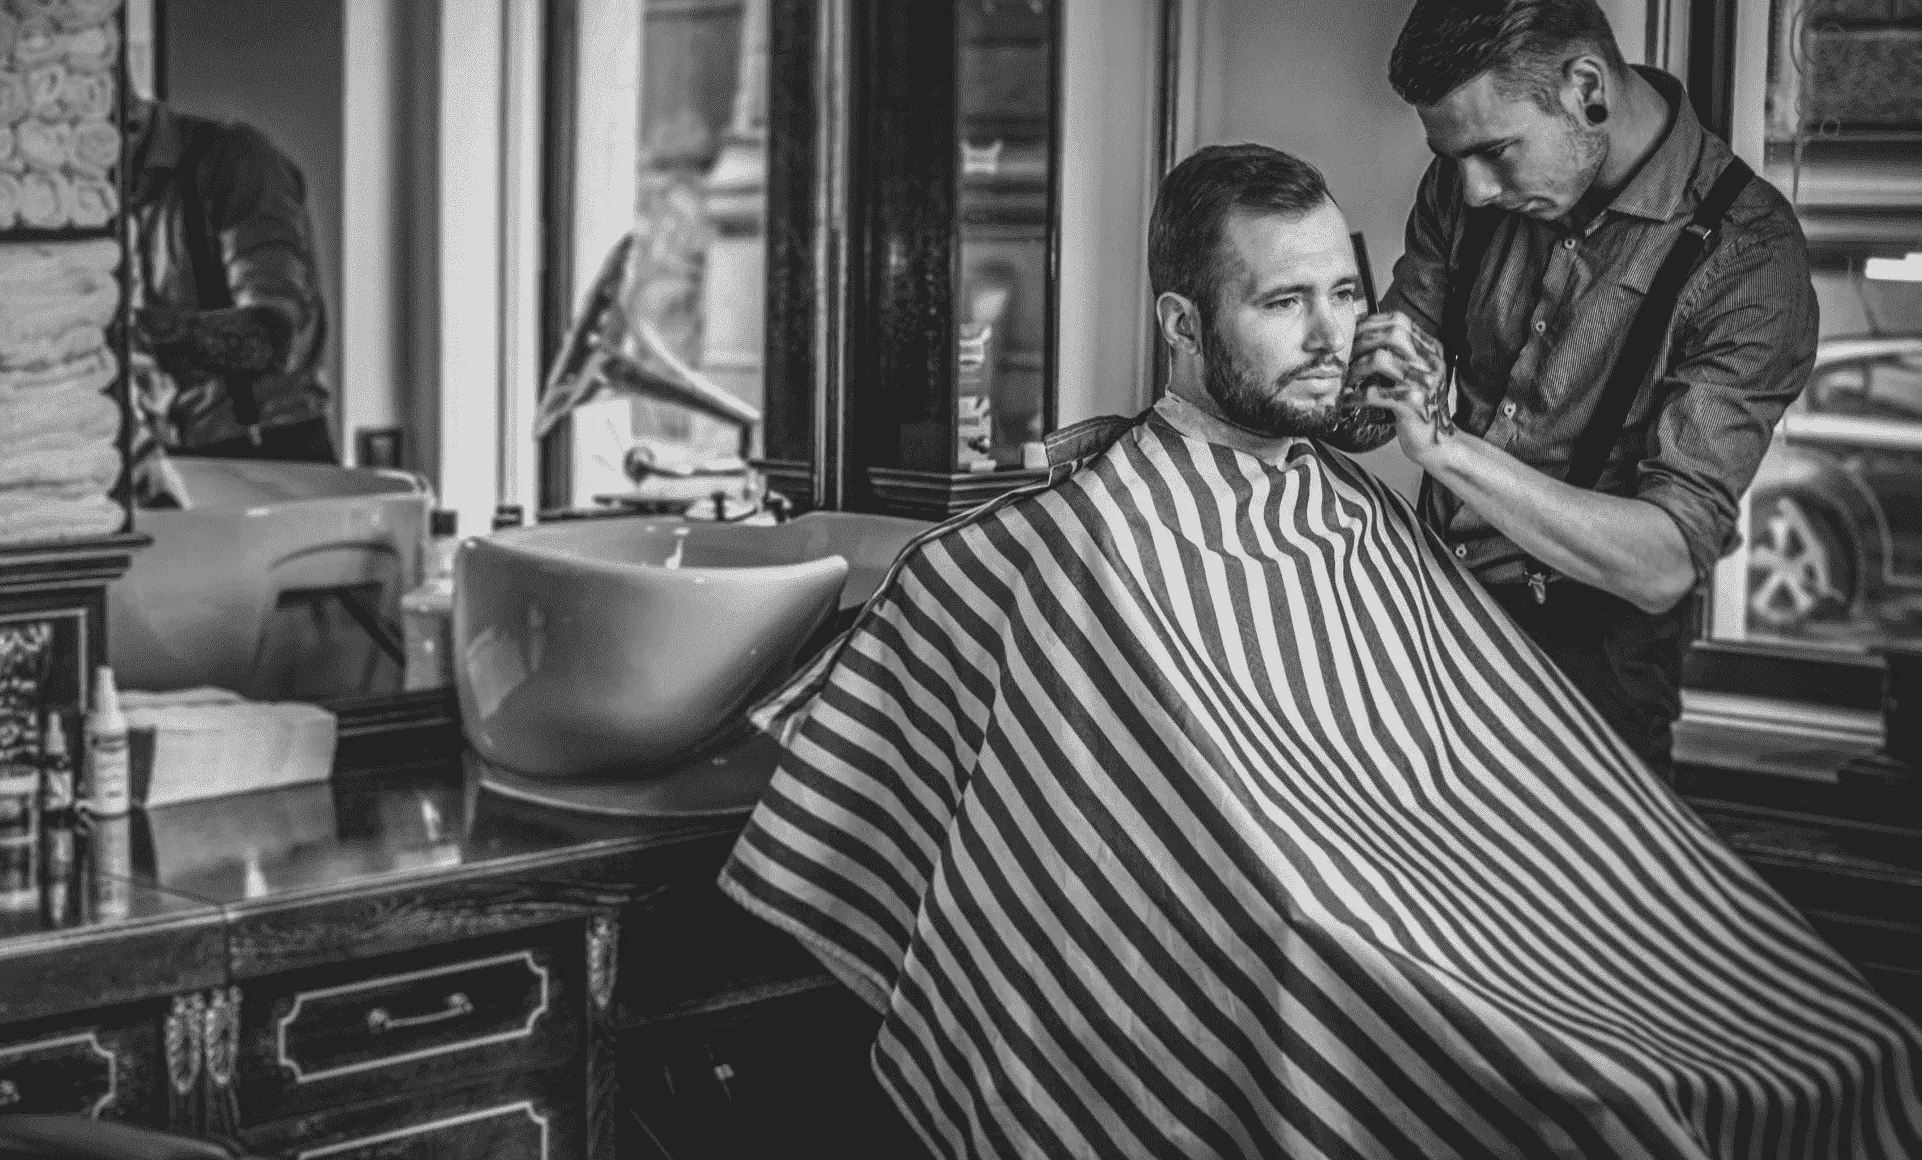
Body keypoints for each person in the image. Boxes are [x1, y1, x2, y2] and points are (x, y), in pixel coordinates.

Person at [721, 143, 1922, 1160]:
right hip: (1328, 952)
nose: (1332, 335)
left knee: (1846, 1049)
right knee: (1596, 1108)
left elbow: (1479, 782)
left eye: (1346, 295)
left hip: (1487, 915)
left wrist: (1437, 444)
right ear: (1184, 324)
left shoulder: (1350, 509)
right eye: (1283, 301)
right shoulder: (1077, 540)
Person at [1353, 0, 1819, 779]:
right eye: (1452, 158)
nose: (1470, 190)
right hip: (1427, 622)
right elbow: (1374, 410)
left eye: (1495, 150)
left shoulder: (1748, 259)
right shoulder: (1464, 186)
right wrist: (1331, 342)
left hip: (1590, 681)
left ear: (1587, 90)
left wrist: (1446, 449)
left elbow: (1665, 559)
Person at [124, 97, 336, 467]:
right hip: (172, 454)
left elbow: (269, 340)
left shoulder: (235, 161)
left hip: (270, 451)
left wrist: (118, 329)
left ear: (130, 123)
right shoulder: (117, 201)